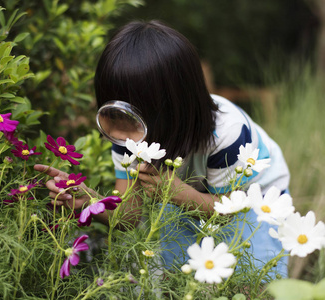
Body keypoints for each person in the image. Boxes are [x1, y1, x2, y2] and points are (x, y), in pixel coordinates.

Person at [35, 20, 290, 277]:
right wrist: (88, 201)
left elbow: (225, 212)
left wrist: (175, 192)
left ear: (175, 109)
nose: (121, 135)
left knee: (253, 273)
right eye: (112, 116)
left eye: (130, 118)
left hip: (252, 198)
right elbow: (129, 215)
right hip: (179, 190)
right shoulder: (125, 138)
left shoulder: (229, 135)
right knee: (172, 270)